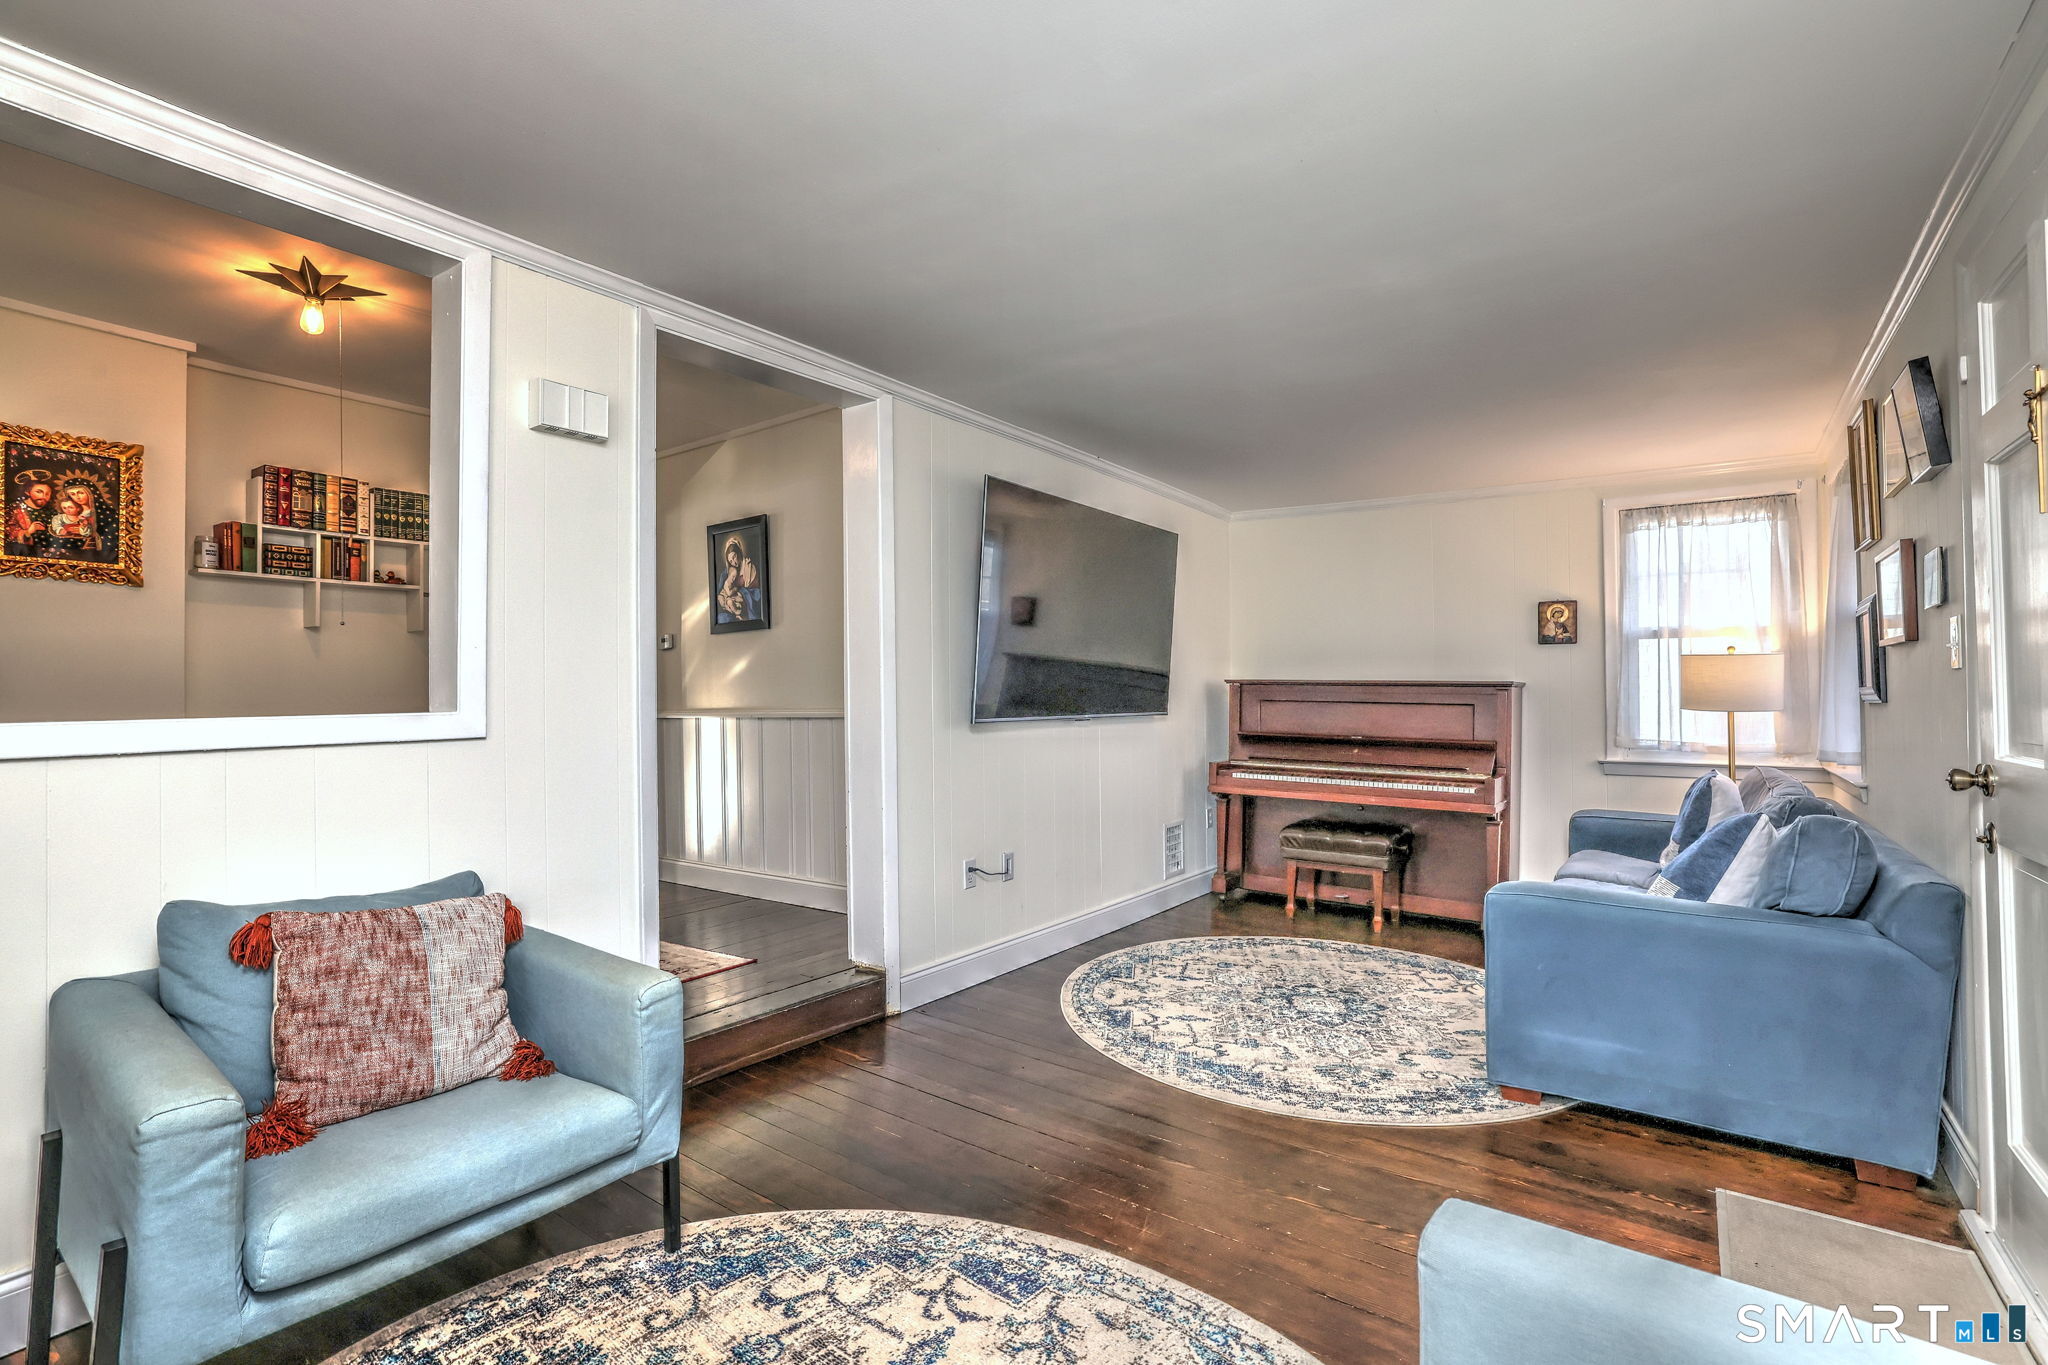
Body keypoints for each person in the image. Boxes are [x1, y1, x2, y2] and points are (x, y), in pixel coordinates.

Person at [716, 534, 761, 622]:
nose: (733, 562)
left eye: (734, 557)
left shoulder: (749, 568)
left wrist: (741, 593)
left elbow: (757, 593)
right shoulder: (728, 572)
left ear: (739, 552)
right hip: (732, 604)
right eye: (730, 561)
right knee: (722, 618)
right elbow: (722, 592)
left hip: (747, 606)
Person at [5, 479, 53, 551]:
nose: (43, 496)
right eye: (39, 492)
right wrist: (28, 531)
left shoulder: (52, 511)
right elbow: (6, 533)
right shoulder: (15, 508)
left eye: (47, 494)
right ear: (28, 492)